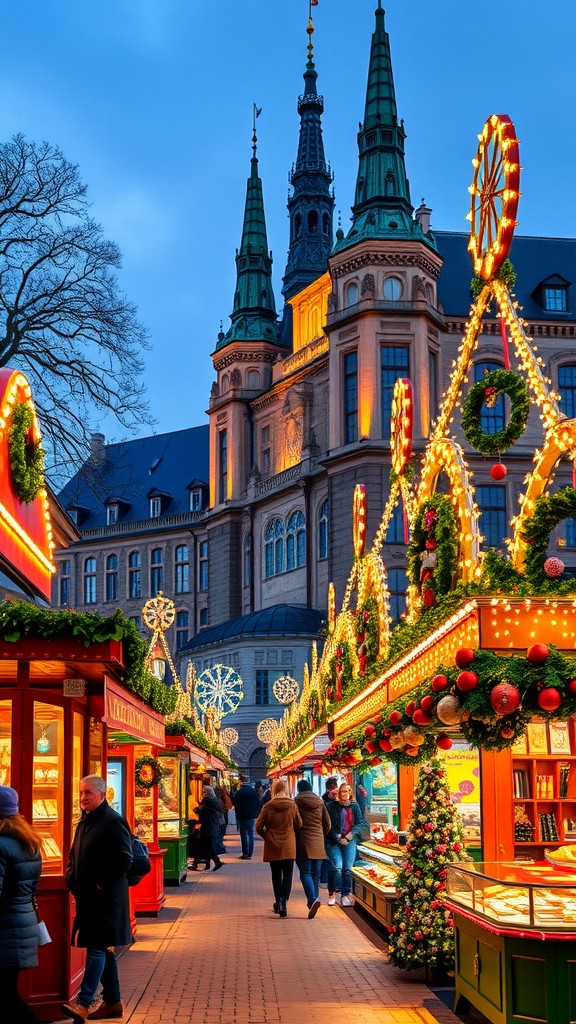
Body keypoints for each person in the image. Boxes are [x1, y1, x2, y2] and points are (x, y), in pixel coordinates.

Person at [62, 775, 133, 1022]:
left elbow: (125, 859)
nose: (83, 798)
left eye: (88, 793)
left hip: (105, 900)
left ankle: (83, 1002)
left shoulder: (112, 821)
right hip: (88, 897)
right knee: (103, 948)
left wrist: (99, 884)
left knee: (96, 948)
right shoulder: (84, 823)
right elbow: (74, 855)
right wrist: (71, 876)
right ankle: (113, 1002)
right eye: (81, 792)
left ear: (102, 795)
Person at [0, 785, 43, 1023]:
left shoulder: (1, 845)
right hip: (21, 923)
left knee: (7, 997)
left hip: (5, 928)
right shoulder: (29, 842)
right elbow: (31, 889)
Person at [255, 779, 302, 918]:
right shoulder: (292, 805)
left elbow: (258, 827)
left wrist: (267, 836)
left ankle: (277, 901)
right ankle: (284, 901)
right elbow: (299, 823)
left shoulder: (268, 806)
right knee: (288, 874)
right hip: (288, 844)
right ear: (286, 789)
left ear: (273, 790)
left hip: (273, 844)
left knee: (276, 874)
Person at [325, 782, 367, 908]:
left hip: (350, 840)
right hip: (334, 841)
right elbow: (327, 825)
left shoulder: (354, 806)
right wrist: (336, 836)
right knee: (336, 867)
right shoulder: (331, 806)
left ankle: (345, 894)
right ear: (338, 793)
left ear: (350, 794)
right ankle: (332, 892)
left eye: (348, 791)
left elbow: (361, 823)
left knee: (348, 868)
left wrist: (352, 834)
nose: (345, 794)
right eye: (343, 791)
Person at [294, 779, 330, 919]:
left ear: (299, 789)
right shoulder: (320, 802)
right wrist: (321, 835)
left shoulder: (296, 802)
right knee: (315, 873)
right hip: (318, 842)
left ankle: (312, 899)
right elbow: (327, 824)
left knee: (305, 872)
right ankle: (314, 900)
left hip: (303, 842)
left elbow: (296, 822)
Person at [190, 785, 224, 871]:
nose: (202, 793)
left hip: (207, 826)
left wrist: (195, 808)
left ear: (207, 792)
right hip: (211, 825)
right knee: (203, 845)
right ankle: (202, 864)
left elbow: (200, 811)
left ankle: (217, 862)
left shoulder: (208, 801)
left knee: (208, 845)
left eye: (204, 791)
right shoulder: (214, 800)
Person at [232, 775, 260, 859]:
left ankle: (245, 852)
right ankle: (250, 853)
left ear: (241, 783)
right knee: (251, 834)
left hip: (241, 816)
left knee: (243, 834)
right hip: (251, 816)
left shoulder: (239, 792)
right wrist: (255, 812)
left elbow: (235, 803)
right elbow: (258, 802)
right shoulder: (253, 791)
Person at [319, 777, 339, 890]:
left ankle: (328, 881)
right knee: (329, 858)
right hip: (329, 835)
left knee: (332, 859)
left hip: (338, 834)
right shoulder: (325, 803)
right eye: (333, 790)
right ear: (328, 790)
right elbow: (327, 821)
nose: (335, 792)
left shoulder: (339, 801)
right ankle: (324, 880)